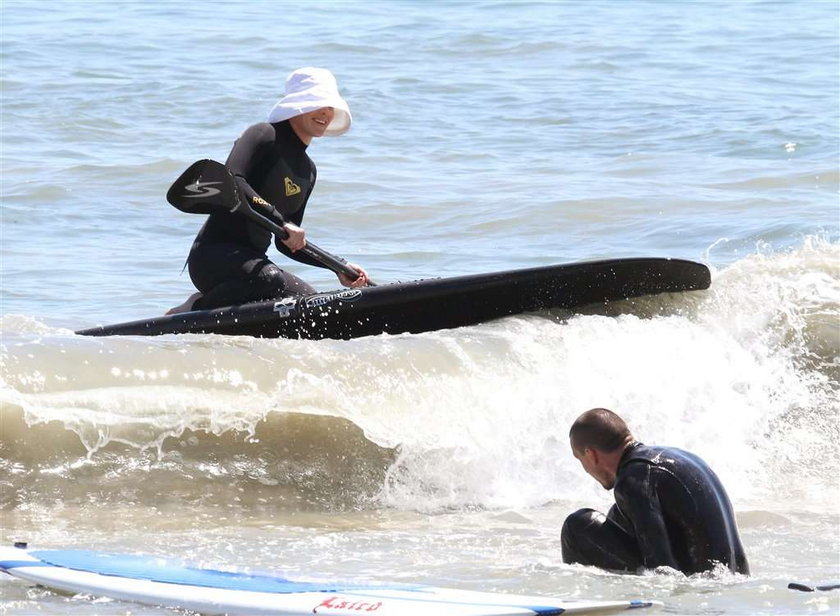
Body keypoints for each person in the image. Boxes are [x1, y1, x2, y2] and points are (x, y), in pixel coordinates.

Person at [167, 67, 369, 314]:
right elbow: (233, 179)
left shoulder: (308, 171)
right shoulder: (263, 135)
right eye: (319, 105)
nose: (326, 114)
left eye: (330, 109)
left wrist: (338, 266)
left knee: (312, 305)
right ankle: (194, 307)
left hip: (253, 264)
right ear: (299, 105)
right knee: (270, 279)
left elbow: (288, 244)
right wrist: (279, 219)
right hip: (214, 257)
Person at [562, 407, 749, 576]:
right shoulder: (677, 457)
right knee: (616, 516)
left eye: (580, 459)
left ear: (591, 454)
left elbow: (661, 569)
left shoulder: (634, 479)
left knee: (577, 525)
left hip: (701, 592)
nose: (585, 469)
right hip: (731, 582)